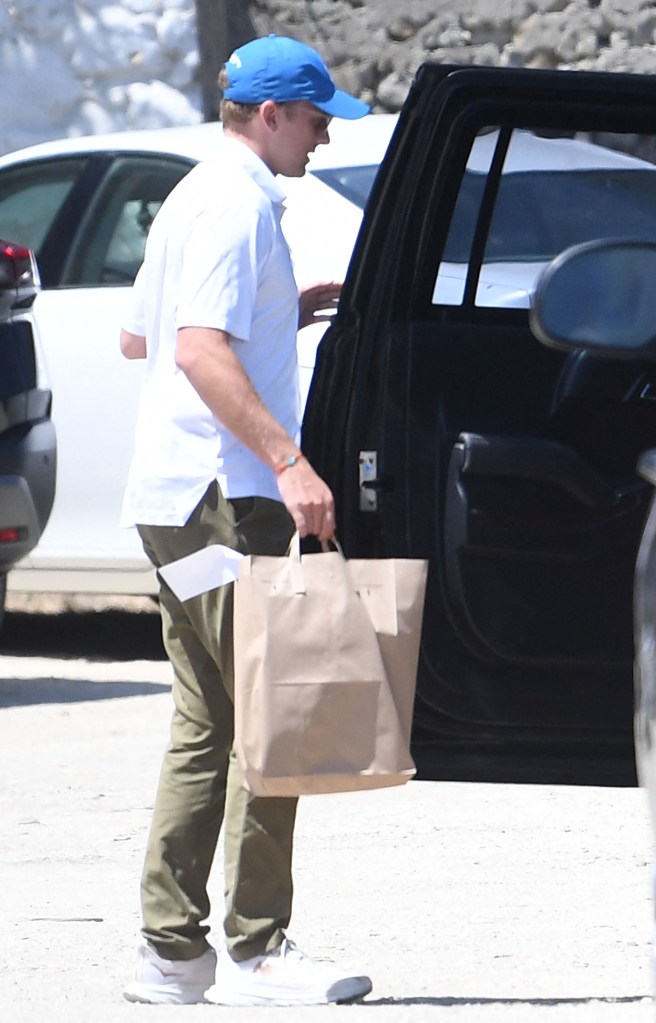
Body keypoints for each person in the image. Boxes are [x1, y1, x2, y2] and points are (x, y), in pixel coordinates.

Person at [118, 34, 372, 1007]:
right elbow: (192, 349)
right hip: (226, 503)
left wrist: (281, 310)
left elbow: (139, 330)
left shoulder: (191, 198)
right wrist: (290, 461)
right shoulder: (234, 205)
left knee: (206, 718)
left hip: (172, 506)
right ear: (268, 115)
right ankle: (257, 950)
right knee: (273, 716)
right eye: (313, 120)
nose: (318, 137)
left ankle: (172, 957)